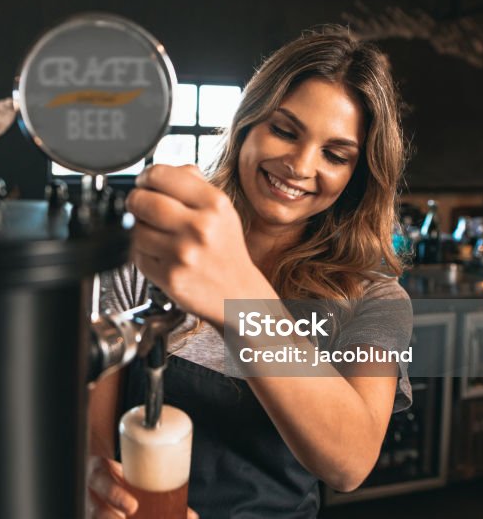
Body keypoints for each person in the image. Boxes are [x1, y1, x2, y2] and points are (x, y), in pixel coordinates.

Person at [86, 26, 414, 519]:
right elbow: (92, 420)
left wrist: (237, 293)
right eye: (284, 130)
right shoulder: (154, 251)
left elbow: (350, 462)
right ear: (247, 124)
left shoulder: (374, 300)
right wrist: (91, 478)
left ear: (356, 176)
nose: (300, 166)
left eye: (334, 155)